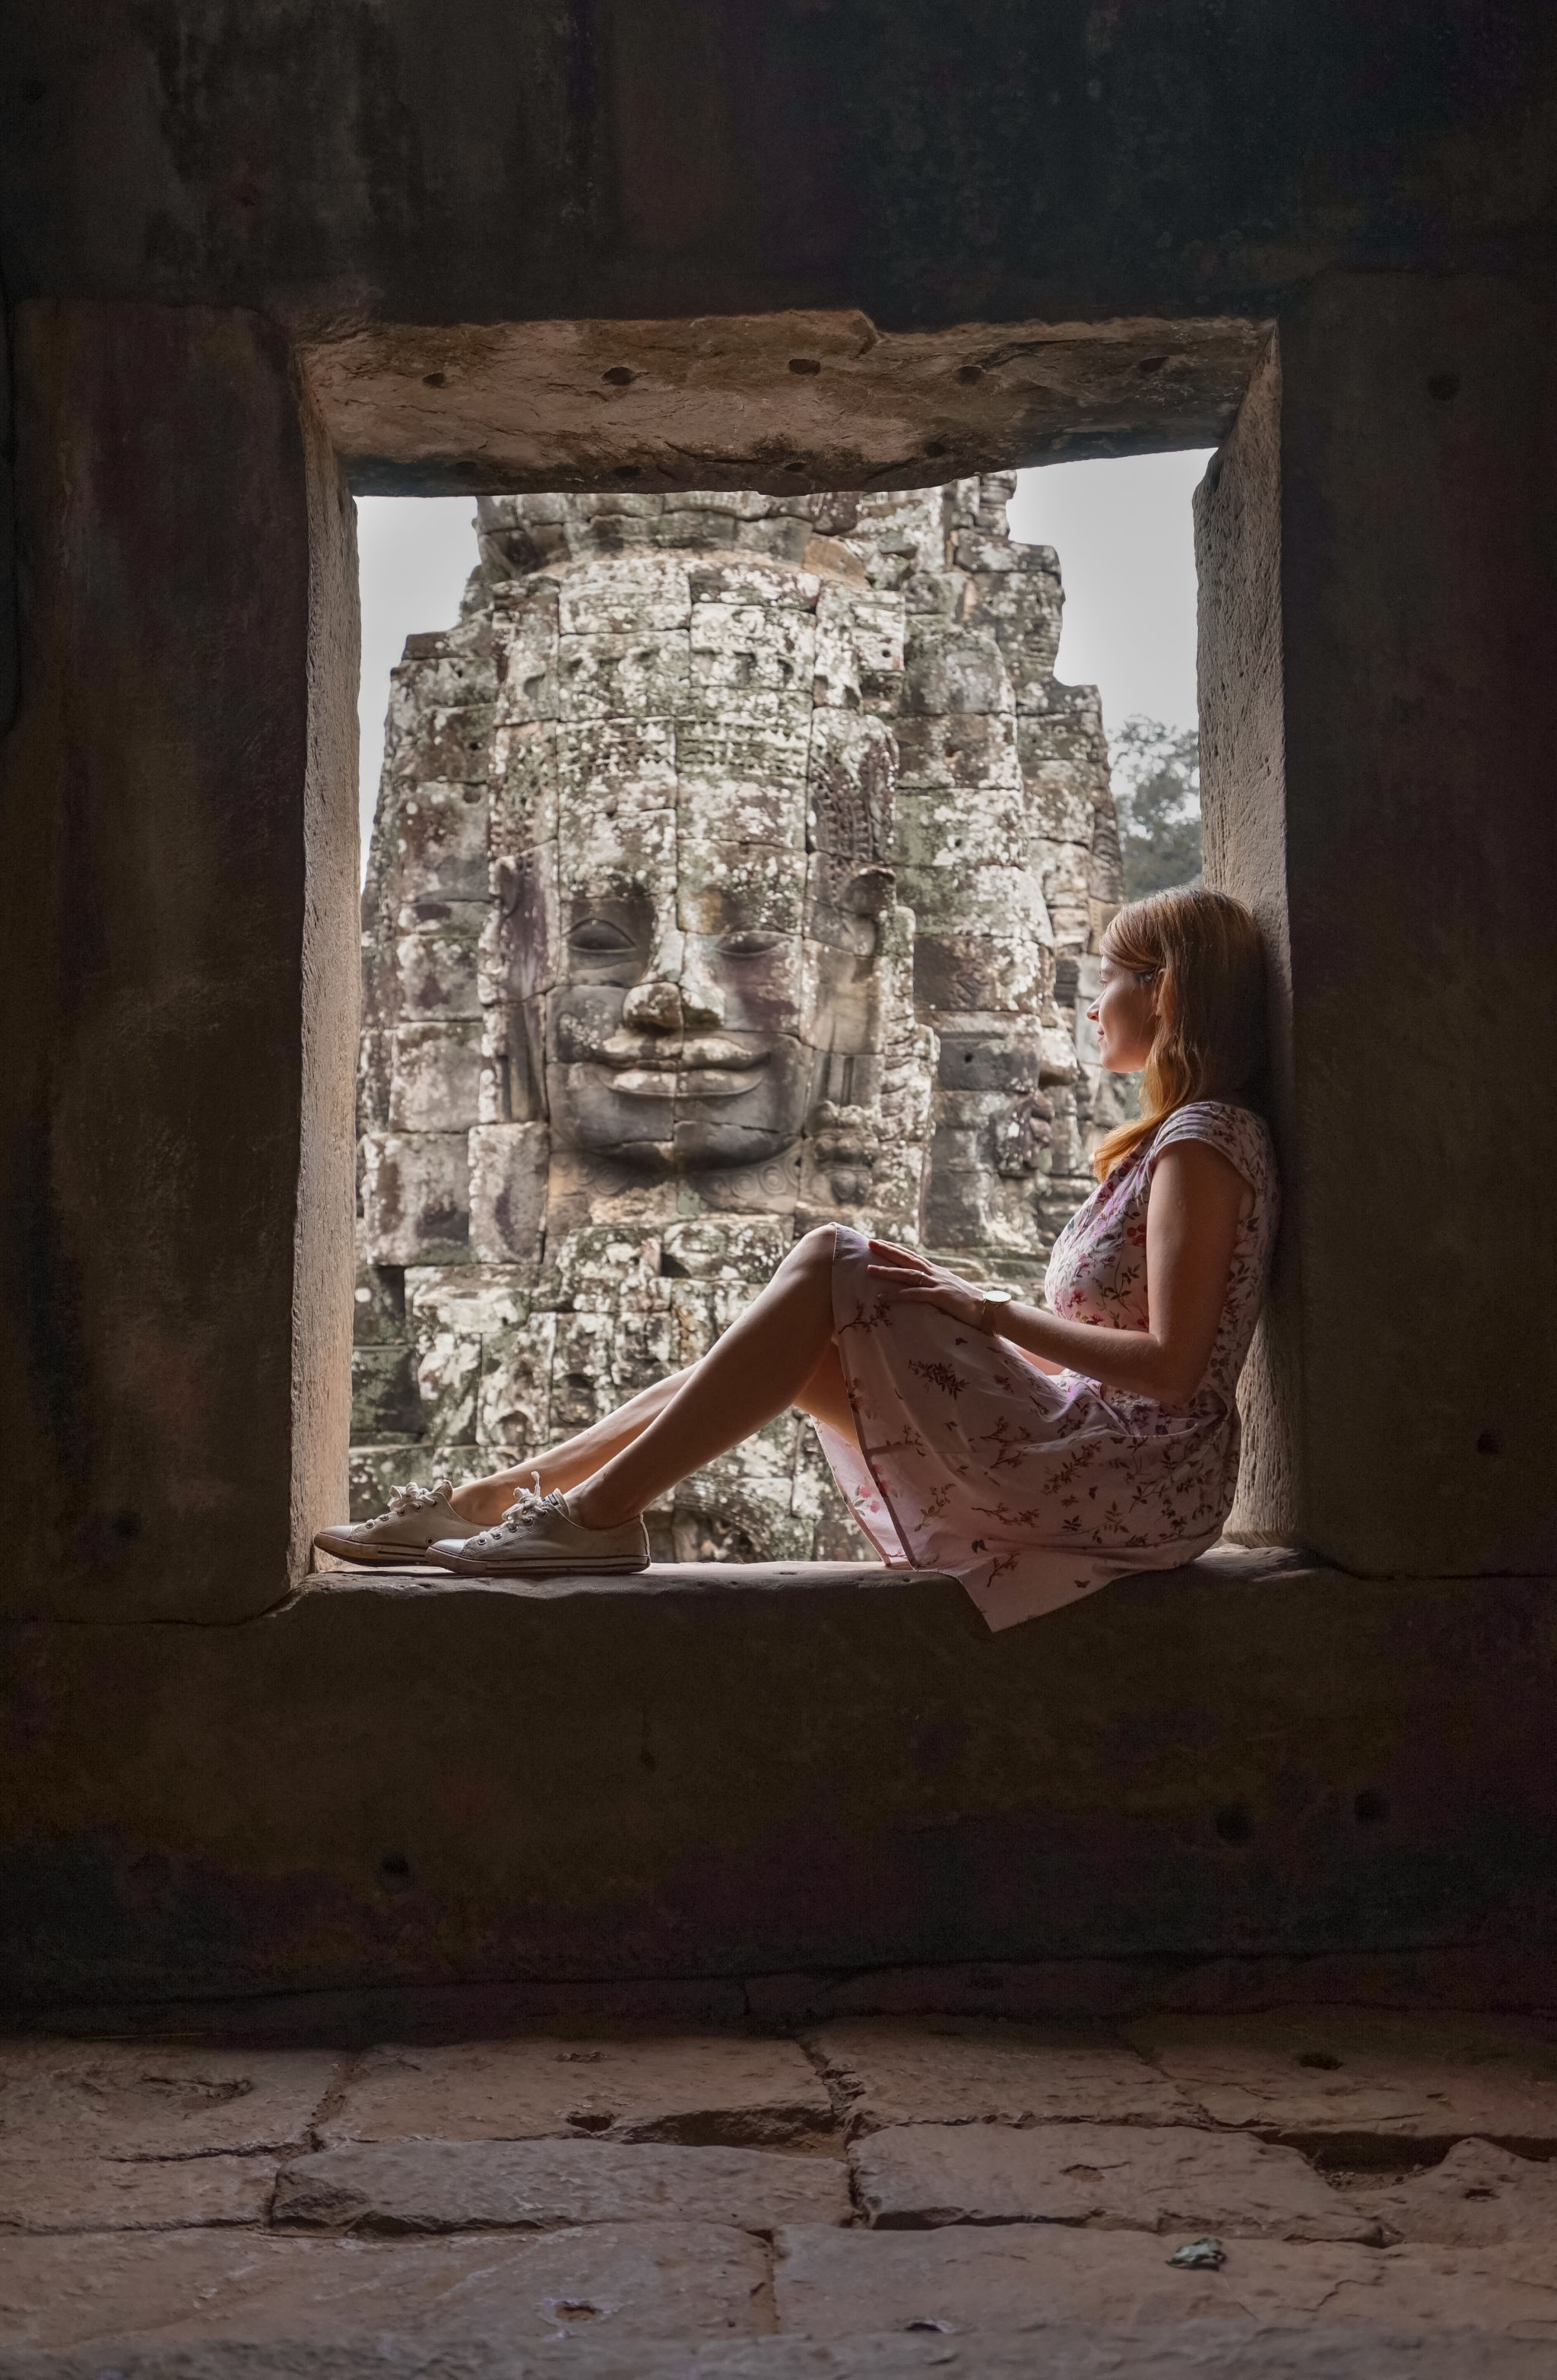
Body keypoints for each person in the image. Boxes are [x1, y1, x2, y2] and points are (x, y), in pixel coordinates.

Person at [318, 886, 1277, 1633]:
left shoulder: (1200, 1142)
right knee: (797, 1341)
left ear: (1163, 989)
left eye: (1106, 973)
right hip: (1108, 1453)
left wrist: (984, 1315)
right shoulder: (1172, 1141)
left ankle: (592, 1515)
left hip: (1140, 1481)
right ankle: (496, 1500)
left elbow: (1174, 1367)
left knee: (833, 1257)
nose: (1089, 997)